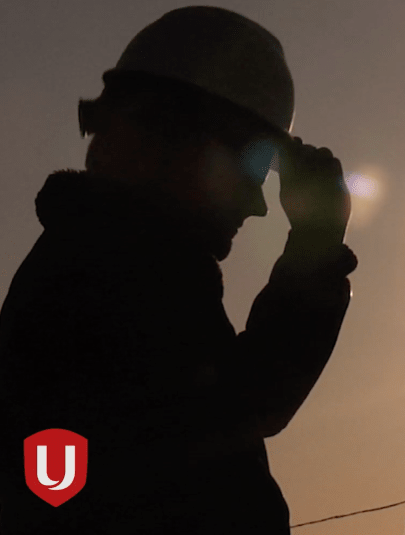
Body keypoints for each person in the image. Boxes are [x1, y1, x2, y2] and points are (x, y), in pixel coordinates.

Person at [0, 6, 357, 534]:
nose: (259, 205)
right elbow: (247, 402)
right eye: (253, 167)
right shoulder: (111, 275)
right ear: (181, 140)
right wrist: (316, 243)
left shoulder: (101, 261)